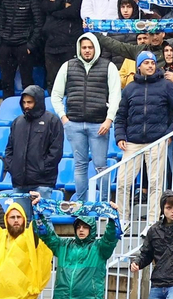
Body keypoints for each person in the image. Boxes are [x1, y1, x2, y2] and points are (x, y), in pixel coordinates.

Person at [32, 198, 119, 299]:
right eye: (78, 226)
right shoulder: (63, 246)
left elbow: (111, 237)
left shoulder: (99, 248)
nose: (81, 230)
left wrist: (112, 217)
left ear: (91, 228)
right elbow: (46, 234)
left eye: (85, 227)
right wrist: (37, 214)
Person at [114, 51, 173, 220]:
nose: (150, 66)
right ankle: (122, 220)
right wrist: (119, 136)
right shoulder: (130, 87)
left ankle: (153, 222)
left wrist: (169, 135)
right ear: (139, 66)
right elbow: (121, 115)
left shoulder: (166, 86)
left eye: (152, 63)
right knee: (123, 183)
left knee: (155, 184)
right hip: (132, 142)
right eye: (146, 63)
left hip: (157, 141)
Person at [51, 33, 121, 201]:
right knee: (80, 166)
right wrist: (64, 119)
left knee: (100, 166)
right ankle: (81, 203)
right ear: (79, 49)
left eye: (90, 47)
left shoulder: (109, 66)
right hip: (74, 124)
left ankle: (104, 203)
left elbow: (116, 95)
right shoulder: (67, 66)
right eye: (84, 47)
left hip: (99, 125)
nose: (87, 50)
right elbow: (56, 95)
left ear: (96, 48)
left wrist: (109, 119)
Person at [5, 84, 64, 191]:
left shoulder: (52, 121)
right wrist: (13, 168)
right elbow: (9, 149)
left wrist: (42, 169)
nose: (26, 105)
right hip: (19, 183)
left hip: (42, 183)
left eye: (29, 102)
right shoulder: (17, 122)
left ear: (38, 102)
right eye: (24, 102)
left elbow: (56, 151)